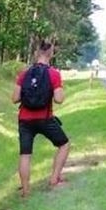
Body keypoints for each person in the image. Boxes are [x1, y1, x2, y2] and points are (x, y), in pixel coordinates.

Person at [12, 40, 69, 197]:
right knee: (64, 145)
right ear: (51, 54)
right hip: (45, 118)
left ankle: (25, 191)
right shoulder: (54, 74)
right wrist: (58, 89)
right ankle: (54, 178)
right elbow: (59, 99)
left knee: (25, 154)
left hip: (24, 120)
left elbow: (14, 98)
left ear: (36, 53)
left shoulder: (24, 74)